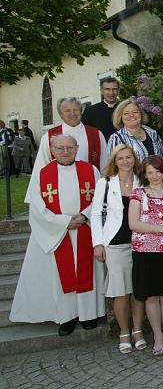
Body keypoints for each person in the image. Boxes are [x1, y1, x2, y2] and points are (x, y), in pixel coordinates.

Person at [10, 134, 106, 336]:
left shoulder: (91, 170)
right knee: (63, 275)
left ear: (76, 148)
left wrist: (83, 216)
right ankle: (67, 317)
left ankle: (89, 315)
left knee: (88, 272)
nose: (65, 151)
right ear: (52, 150)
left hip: (85, 229)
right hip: (58, 233)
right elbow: (37, 207)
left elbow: (100, 199)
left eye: (69, 147)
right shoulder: (43, 173)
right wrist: (64, 222)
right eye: (60, 148)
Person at [90, 144, 146, 353]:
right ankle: (124, 331)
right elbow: (96, 214)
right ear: (114, 161)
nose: (125, 161)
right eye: (120, 158)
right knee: (121, 293)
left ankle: (138, 330)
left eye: (129, 157)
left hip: (140, 243)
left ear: (134, 159)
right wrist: (98, 243)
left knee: (138, 291)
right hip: (115, 244)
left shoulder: (143, 181)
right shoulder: (105, 183)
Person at [128, 156, 163, 356]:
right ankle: (157, 336)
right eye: (149, 172)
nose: (154, 176)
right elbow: (133, 223)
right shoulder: (138, 194)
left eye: (157, 171)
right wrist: (160, 229)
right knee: (151, 296)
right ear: (144, 175)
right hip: (144, 252)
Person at [32, 97, 107, 174]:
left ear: (81, 112)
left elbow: (104, 164)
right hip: (59, 183)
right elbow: (41, 167)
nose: (72, 114)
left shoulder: (96, 134)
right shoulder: (48, 137)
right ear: (60, 114)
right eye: (67, 111)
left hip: (89, 183)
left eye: (76, 110)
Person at [107, 98, 163, 162]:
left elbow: (160, 160)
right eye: (126, 113)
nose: (131, 115)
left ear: (141, 114)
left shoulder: (152, 133)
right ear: (120, 117)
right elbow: (113, 166)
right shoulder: (116, 138)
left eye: (135, 112)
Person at [81, 76, 120, 140]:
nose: (111, 93)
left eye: (114, 89)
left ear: (118, 91)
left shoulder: (125, 109)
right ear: (101, 91)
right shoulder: (90, 111)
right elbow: (84, 134)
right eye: (107, 89)